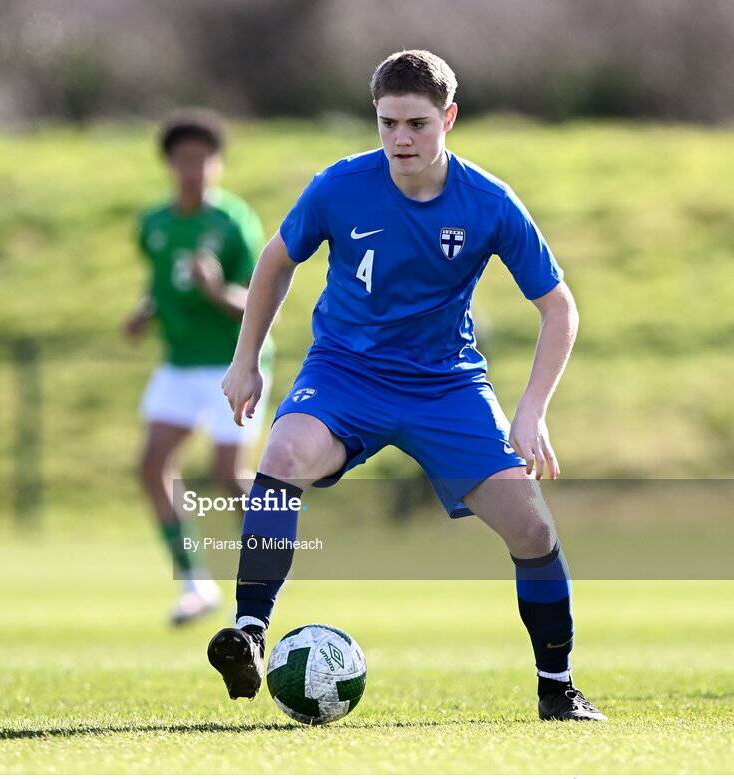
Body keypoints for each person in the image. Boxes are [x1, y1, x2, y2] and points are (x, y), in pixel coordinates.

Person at [206, 51, 606, 721]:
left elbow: (558, 306)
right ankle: (248, 631)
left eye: (416, 124)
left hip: (444, 386)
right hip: (344, 373)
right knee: (280, 458)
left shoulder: (487, 202)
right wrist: (246, 357)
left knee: (532, 531)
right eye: (387, 123)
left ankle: (557, 689)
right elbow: (276, 259)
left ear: (448, 118)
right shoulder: (338, 187)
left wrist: (530, 410)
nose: (399, 139)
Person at [124, 109, 271, 626]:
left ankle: (273, 550)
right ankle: (194, 583)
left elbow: (257, 299)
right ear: (168, 164)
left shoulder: (233, 222)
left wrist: (215, 291)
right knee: (150, 466)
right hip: (180, 363)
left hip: (235, 364)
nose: (194, 169)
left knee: (229, 476)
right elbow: (162, 282)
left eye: (204, 159)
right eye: (184, 159)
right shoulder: (153, 224)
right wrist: (144, 312)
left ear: (219, 164)